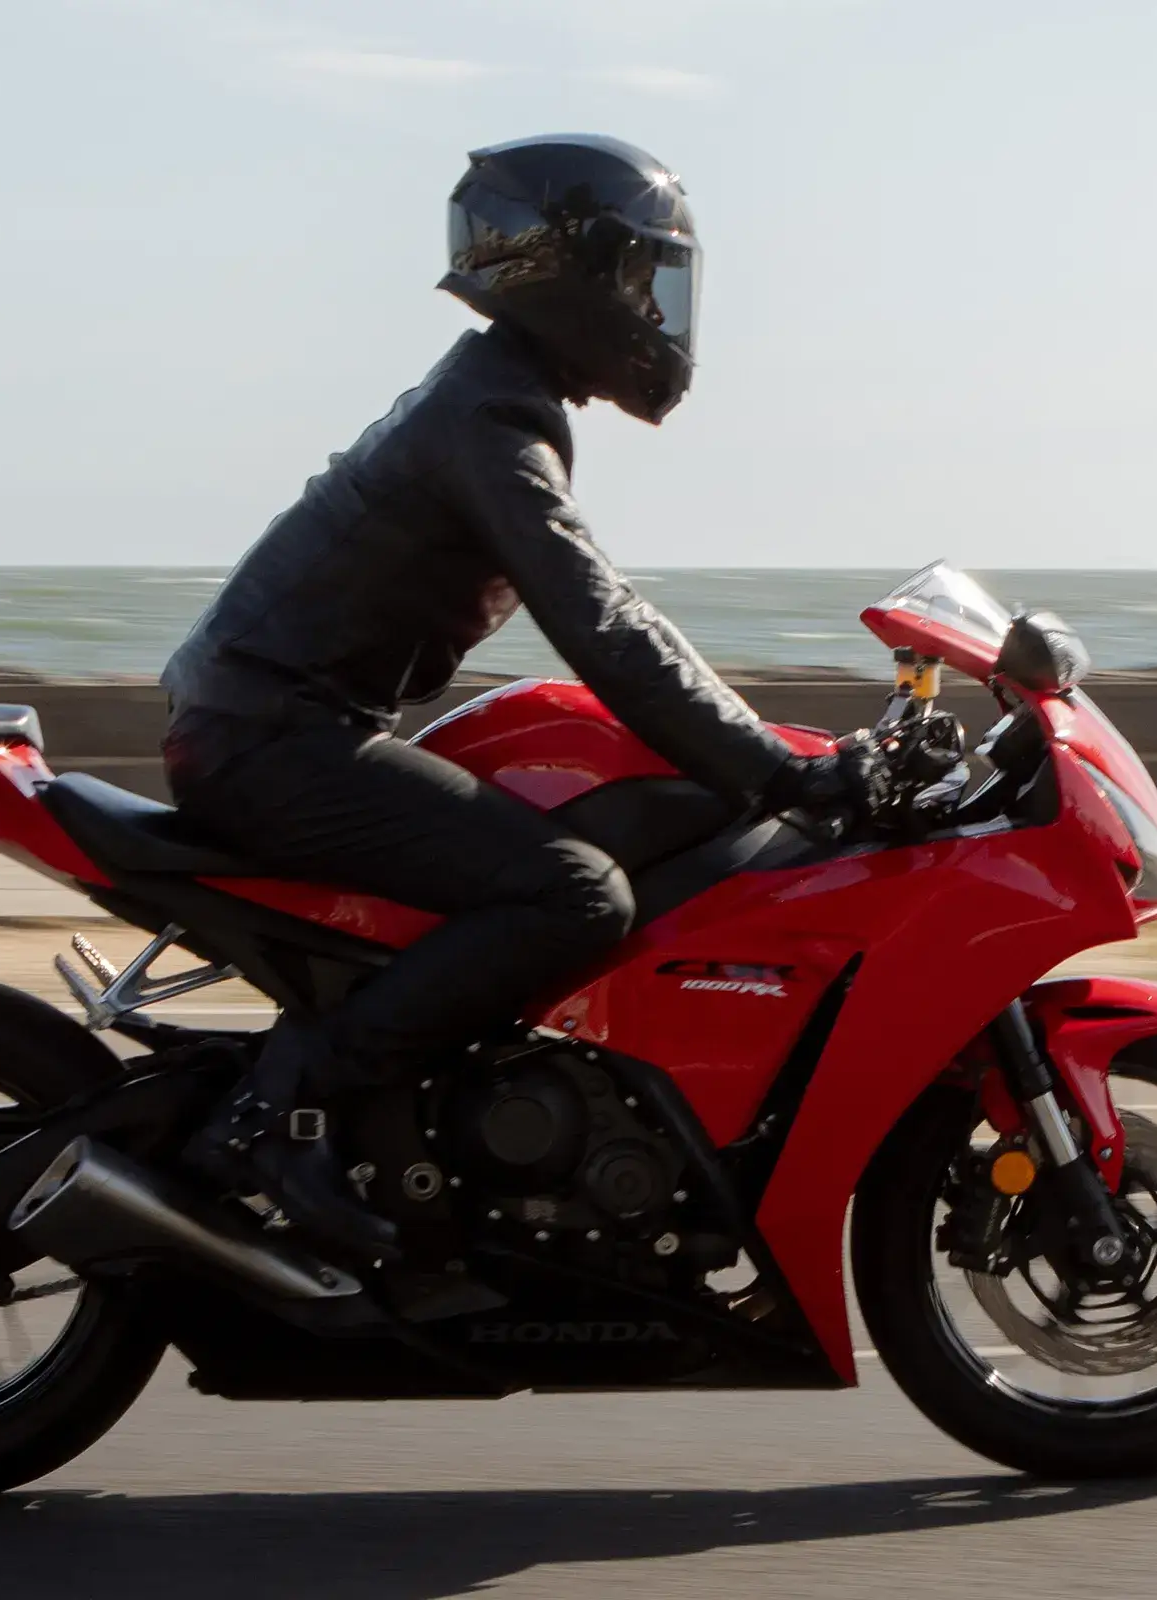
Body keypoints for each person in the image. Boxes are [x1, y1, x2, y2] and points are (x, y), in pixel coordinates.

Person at [158, 133, 868, 1264]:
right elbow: (603, 622)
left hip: (270, 728)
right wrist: (779, 769)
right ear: (572, 271)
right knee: (575, 896)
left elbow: (606, 618)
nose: (653, 307)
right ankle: (283, 1113)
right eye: (640, 275)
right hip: (272, 742)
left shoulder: (487, 394)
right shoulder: (491, 418)